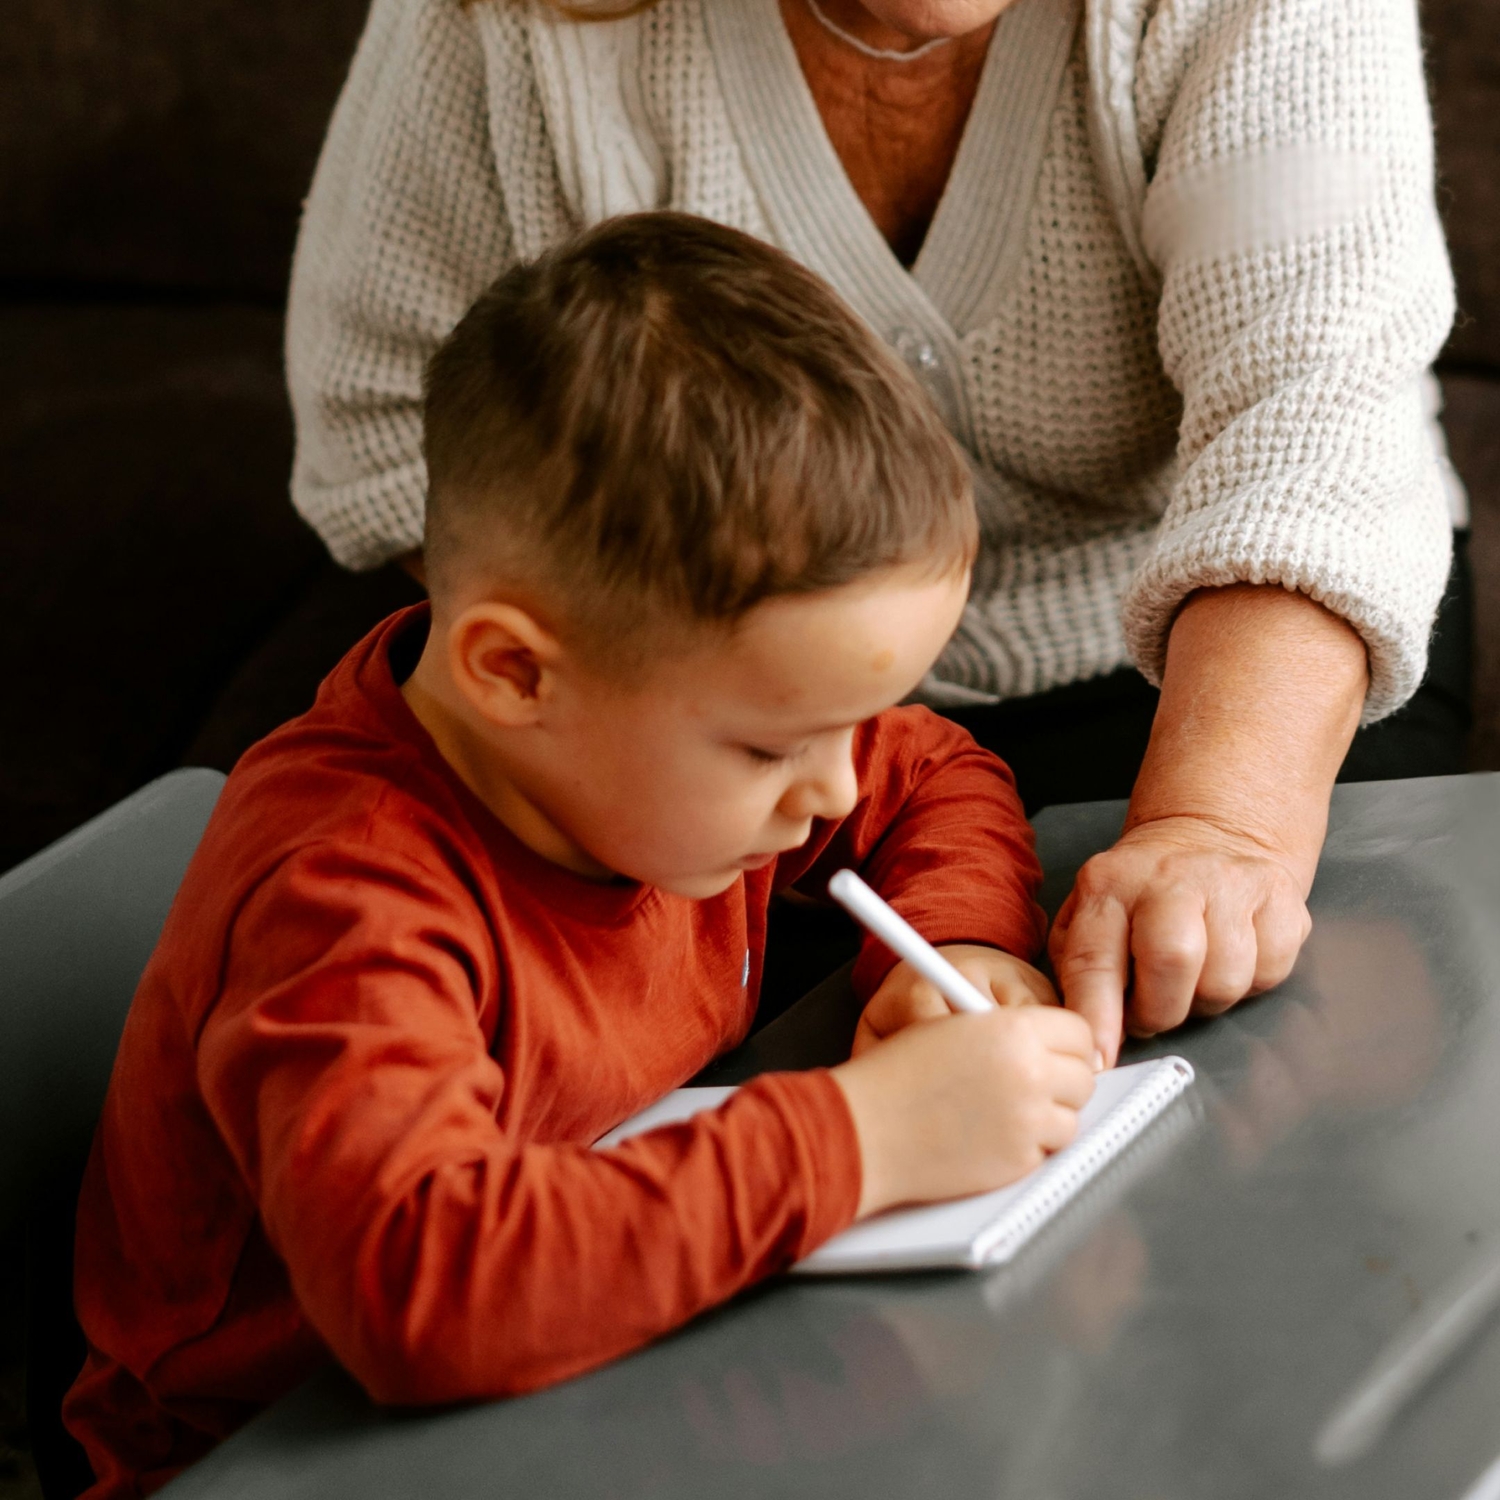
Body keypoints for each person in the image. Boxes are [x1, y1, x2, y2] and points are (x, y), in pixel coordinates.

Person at [65, 215, 1098, 1498]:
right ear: (513, 672)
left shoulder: (620, 755)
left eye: (839, 729)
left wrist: (962, 941)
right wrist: (865, 1138)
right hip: (301, 1453)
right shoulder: (347, 898)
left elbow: (932, 767)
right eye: (773, 748)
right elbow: (418, 1286)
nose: (831, 786)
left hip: (615, 1358)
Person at [276, 0, 1467, 1065]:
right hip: (699, 680)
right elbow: (388, 430)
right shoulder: (502, 26)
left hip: (1217, 658)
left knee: (1261, 1072)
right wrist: (708, 715)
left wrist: (1217, 826)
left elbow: (1316, 413)